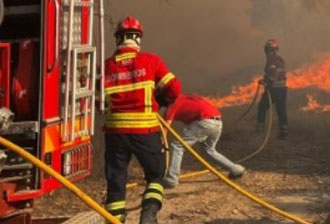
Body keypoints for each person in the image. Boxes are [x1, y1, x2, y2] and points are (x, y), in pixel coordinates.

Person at [102, 16, 181, 224]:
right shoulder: (150, 60)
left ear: (118, 39)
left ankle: (115, 220)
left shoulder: (105, 66)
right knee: (156, 175)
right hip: (145, 132)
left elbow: (95, 99)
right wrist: (161, 99)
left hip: (115, 134)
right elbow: (174, 88)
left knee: (116, 179)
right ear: (138, 39)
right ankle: (148, 215)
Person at [162, 93, 246, 188]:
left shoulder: (172, 106)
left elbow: (165, 128)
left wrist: (161, 143)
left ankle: (171, 180)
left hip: (204, 122)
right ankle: (236, 169)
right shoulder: (186, 97)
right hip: (217, 121)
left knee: (177, 146)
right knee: (209, 150)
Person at [257, 39, 289, 139]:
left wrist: (266, 82)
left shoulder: (271, 59)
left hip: (274, 89)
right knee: (281, 110)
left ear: (267, 50)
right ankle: (284, 131)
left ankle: (260, 128)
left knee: (262, 107)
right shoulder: (280, 59)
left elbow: (273, 74)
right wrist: (266, 79)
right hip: (282, 89)